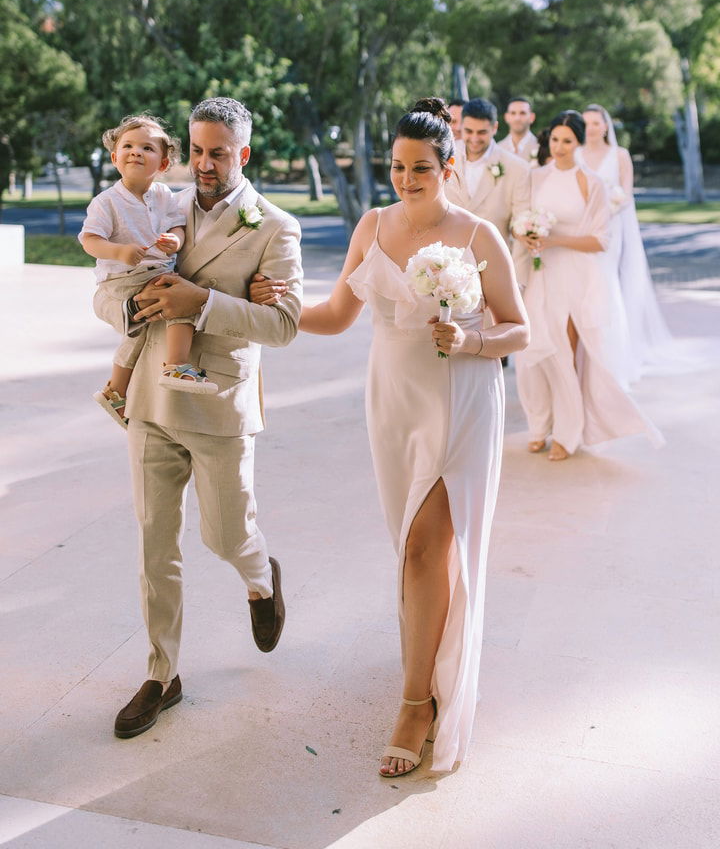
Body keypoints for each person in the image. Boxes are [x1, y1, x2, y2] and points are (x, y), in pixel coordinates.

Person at [252, 98, 529, 777]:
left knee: (425, 547)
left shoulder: (478, 236)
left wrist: (471, 340)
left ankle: (415, 704)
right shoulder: (372, 225)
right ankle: (427, 662)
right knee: (412, 551)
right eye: (397, 167)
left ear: (448, 168)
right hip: (393, 403)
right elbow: (336, 314)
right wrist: (274, 305)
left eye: (421, 168)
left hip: (461, 399)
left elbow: (518, 328)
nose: (406, 179)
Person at [109, 96, 303, 740]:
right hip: (152, 399)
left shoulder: (275, 227)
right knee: (154, 543)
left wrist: (206, 302)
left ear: (243, 153)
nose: (203, 164)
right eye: (195, 151)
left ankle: (260, 577)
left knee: (225, 537)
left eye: (217, 153)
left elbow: (283, 325)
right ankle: (161, 674)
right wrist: (134, 307)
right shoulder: (155, 206)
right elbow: (106, 288)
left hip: (219, 403)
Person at [515, 111, 663, 461]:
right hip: (540, 273)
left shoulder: (592, 183)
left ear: (579, 143)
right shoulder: (535, 177)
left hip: (576, 277)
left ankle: (567, 434)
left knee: (564, 354)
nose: (559, 147)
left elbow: (601, 240)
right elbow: (518, 220)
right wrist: (526, 234)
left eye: (567, 141)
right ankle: (539, 424)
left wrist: (555, 240)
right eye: (555, 140)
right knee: (532, 352)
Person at [80, 115, 218, 430]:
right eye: (127, 146)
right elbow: (89, 240)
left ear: (163, 163)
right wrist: (119, 251)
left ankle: (115, 392)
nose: (136, 152)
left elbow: (177, 226)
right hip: (122, 278)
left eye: (147, 148)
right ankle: (177, 365)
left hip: (154, 271)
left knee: (139, 333)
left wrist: (175, 241)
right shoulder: (107, 202)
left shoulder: (164, 196)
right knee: (180, 301)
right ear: (114, 158)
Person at [577, 104, 672, 376]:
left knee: (606, 281)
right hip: (580, 228)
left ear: (606, 126)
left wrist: (603, 212)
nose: (591, 128)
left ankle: (614, 356)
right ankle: (586, 350)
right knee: (582, 283)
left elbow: (625, 195)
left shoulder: (619, 155)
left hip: (610, 228)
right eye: (586, 123)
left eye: (596, 123)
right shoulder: (576, 153)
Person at [445, 97, 531, 286]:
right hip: (447, 269)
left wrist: (517, 281)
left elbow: (521, 228)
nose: (474, 138)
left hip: (495, 270)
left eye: (482, 132)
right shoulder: (444, 157)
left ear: (495, 128)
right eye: (469, 131)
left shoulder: (517, 168)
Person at [497, 96, 538, 162]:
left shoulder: (541, 147)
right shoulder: (498, 149)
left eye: (522, 113)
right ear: (506, 117)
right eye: (513, 113)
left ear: (532, 117)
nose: (517, 118)